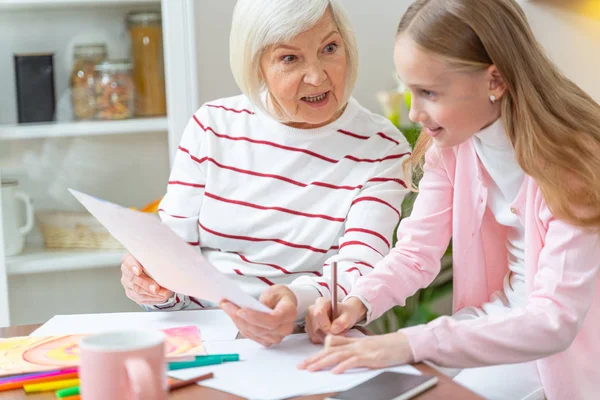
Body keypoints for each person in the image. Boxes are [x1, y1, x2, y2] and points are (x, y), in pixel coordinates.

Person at [298, 0, 600, 399]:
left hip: (567, 349)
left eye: (428, 92)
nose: (415, 112)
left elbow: (553, 322)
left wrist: (407, 343)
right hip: (499, 321)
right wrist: (357, 302)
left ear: (495, 81)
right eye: (410, 91)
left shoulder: (575, 164)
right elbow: (415, 254)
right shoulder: (453, 145)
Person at [119, 0, 411, 347]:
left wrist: (294, 303)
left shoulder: (381, 147)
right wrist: (153, 283)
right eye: (290, 58)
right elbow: (175, 258)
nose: (317, 76)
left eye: (329, 48)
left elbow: (361, 269)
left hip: (307, 338)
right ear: (255, 64)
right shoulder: (213, 125)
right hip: (202, 336)